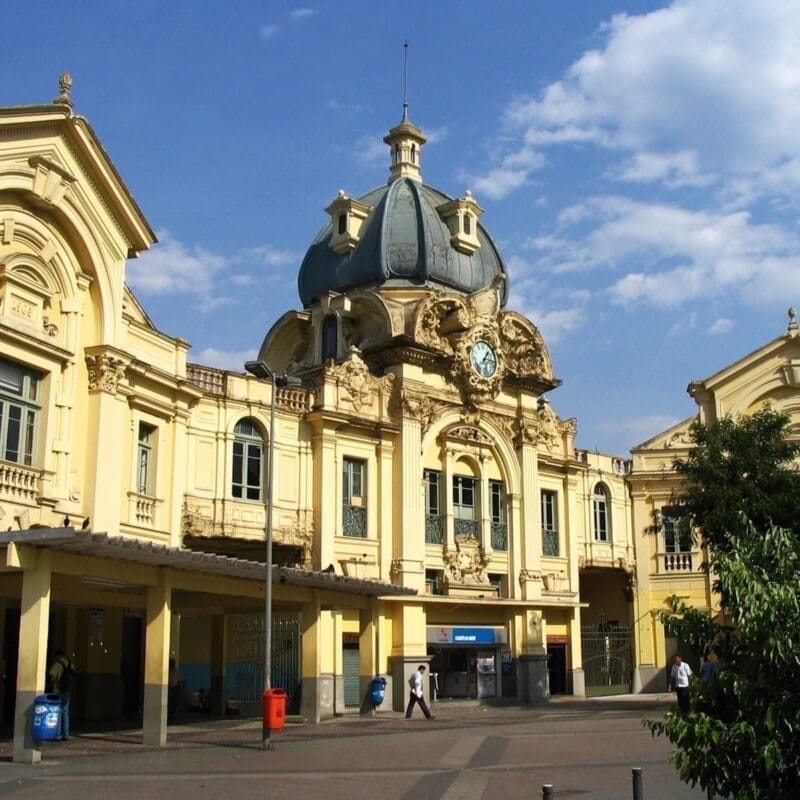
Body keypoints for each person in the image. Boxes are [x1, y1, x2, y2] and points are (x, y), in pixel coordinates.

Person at [48, 649, 76, 741]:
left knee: (58, 712)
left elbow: (52, 678)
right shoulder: (70, 663)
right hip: (67, 690)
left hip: (58, 690)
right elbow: (74, 675)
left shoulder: (57, 664)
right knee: (65, 712)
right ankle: (66, 734)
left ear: (58, 656)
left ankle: (58, 733)